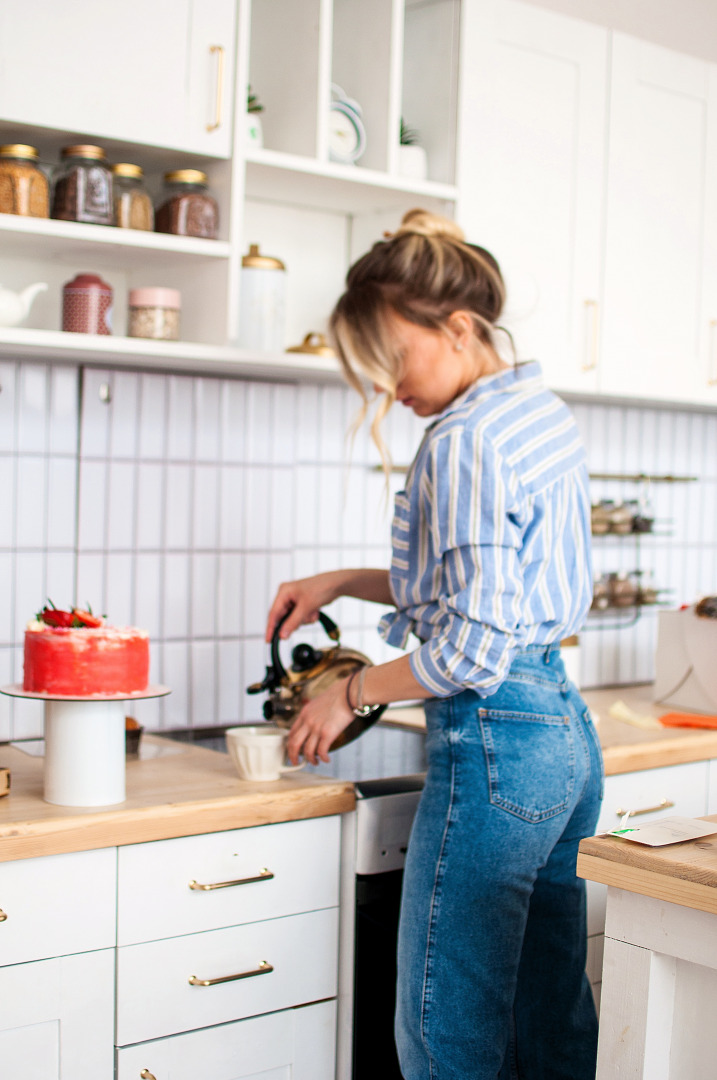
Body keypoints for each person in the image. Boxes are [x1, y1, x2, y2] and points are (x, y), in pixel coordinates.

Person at [264, 209, 603, 1080]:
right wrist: (342, 579)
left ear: (456, 328)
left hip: (497, 736)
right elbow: (490, 591)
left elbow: (467, 653)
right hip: (562, 731)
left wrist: (351, 689)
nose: (389, 390)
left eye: (395, 361)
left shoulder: (462, 443)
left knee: (444, 1026)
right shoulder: (536, 413)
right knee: (545, 1009)